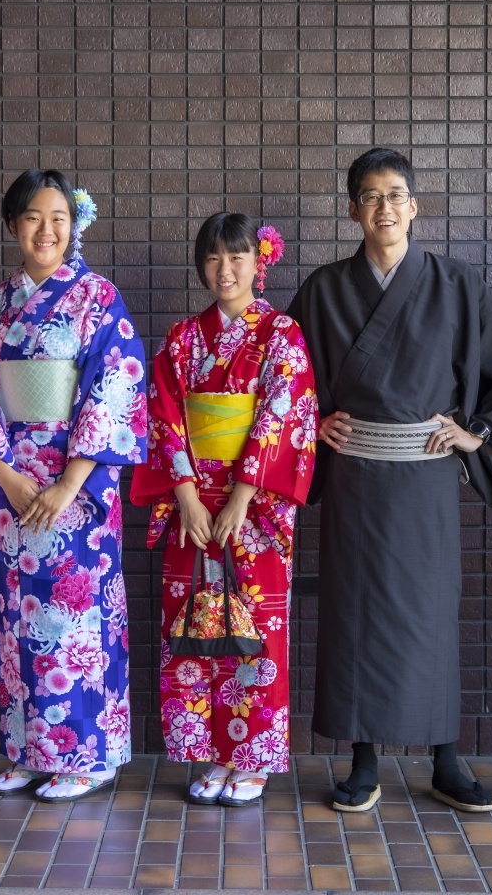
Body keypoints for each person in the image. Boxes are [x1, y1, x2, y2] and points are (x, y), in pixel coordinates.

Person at [286, 147, 492, 814]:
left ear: (415, 205)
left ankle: (446, 761)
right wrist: (309, 424)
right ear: (352, 210)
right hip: (354, 479)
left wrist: (475, 433)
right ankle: (363, 761)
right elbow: (287, 377)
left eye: (395, 194)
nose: (384, 208)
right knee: (357, 614)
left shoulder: (457, 285)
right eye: (370, 196)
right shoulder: (322, 290)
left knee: (429, 616)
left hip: (424, 477)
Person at [0, 170, 147, 803]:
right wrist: (8, 474)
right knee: (20, 617)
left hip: (80, 483)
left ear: (75, 226)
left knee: (76, 618)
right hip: (11, 480)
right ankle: (26, 748)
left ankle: (88, 755)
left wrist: (70, 482)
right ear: (13, 225)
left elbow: (115, 385)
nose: (47, 230)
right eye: (33, 217)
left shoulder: (97, 298)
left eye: (59, 218)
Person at [130, 214, 318, 807]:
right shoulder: (183, 338)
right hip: (192, 507)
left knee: (254, 628)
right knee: (192, 628)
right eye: (213, 259)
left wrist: (243, 494)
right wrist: (184, 493)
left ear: (259, 263)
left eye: (236, 257)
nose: (225, 270)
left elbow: (283, 415)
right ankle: (211, 754)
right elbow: (160, 413)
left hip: (253, 510)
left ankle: (252, 759)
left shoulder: (281, 334)